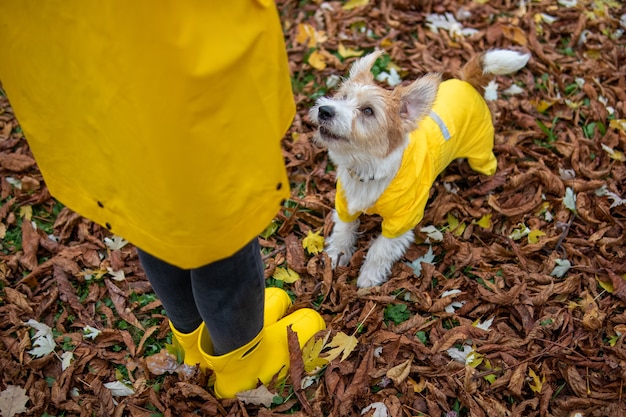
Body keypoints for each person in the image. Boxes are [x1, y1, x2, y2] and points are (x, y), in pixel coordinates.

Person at [0, 1, 325, 398]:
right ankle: (243, 363)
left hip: (75, 55)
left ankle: (193, 339)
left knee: (151, 194)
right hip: (172, 45)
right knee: (216, 210)